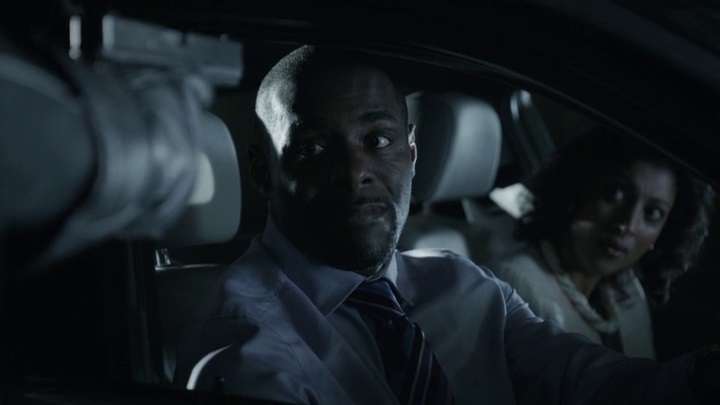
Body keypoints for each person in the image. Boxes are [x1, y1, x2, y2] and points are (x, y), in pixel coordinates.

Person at [173, 45, 718, 404]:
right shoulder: (248, 348)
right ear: (263, 173)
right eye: (313, 148)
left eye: (378, 140)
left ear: (411, 153)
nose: (355, 172)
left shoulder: (462, 285)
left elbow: (589, 383)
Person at [491, 129, 715, 359]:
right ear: (578, 185)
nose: (627, 224)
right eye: (616, 193)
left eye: (653, 213)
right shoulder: (515, 285)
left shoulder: (627, 289)